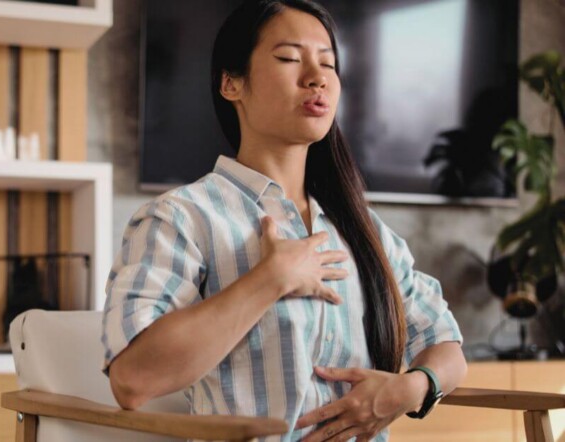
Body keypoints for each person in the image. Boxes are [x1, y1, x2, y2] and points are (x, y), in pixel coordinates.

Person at [101, 1, 468, 440]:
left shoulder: (364, 230)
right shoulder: (182, 218)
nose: (317, 77)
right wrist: (270, 278)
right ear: (231, 83)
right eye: (289, 58)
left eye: (328, 64)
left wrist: (411, 389)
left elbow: (446, 344)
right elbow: (133, 379)